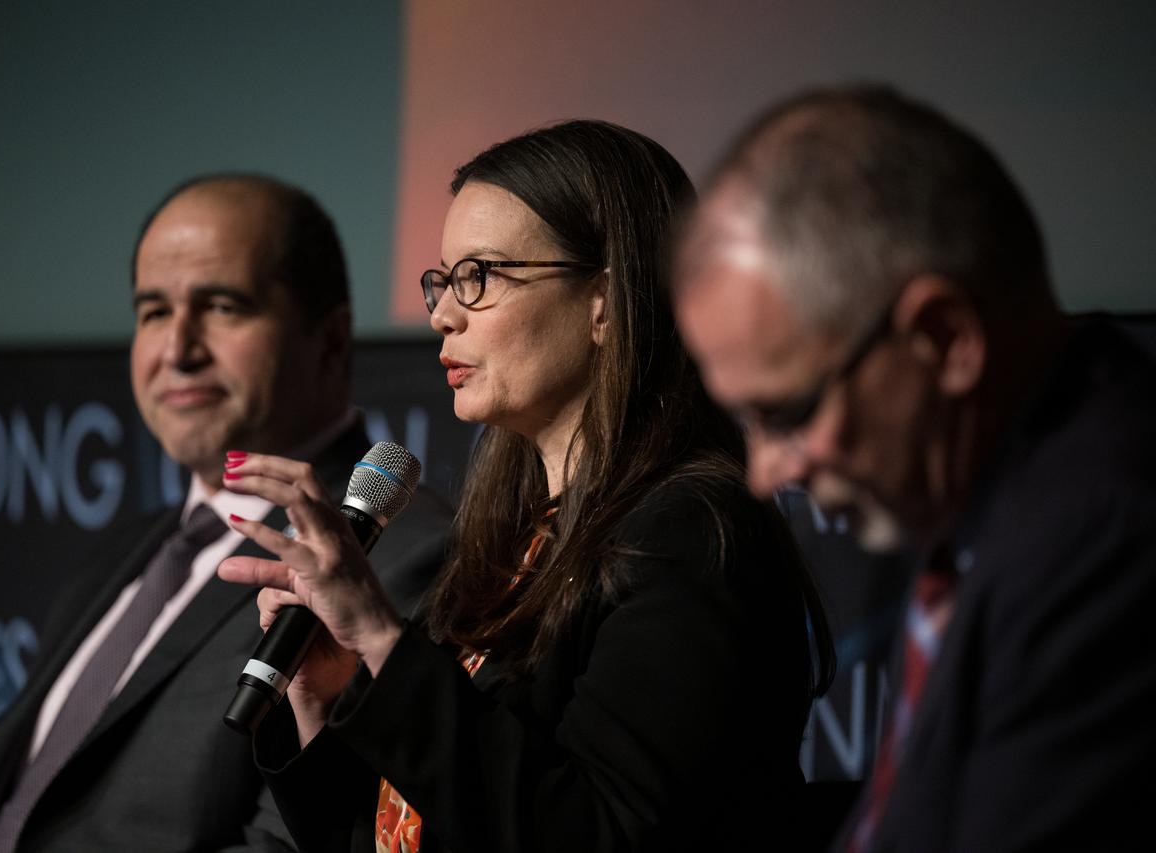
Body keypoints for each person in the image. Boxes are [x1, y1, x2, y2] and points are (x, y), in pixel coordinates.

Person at [216, 120, 834, 852]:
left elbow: (596, 831)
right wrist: (326, 694)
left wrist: (384, 640)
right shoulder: (513, 541)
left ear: (606, 298)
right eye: (442, 281)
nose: (443, 314)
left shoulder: (692, 533)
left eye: (479, 276)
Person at [673, 85, 1156, 852]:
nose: (763, 476)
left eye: (788, 414)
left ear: (946, 338)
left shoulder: (1103, 540)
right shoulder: (981, 503)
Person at [0, 174, 453, 852]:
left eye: (223, 307)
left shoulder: (396, 553)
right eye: (153, 312)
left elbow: (299, 841)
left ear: (329, 338)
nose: (176, 350)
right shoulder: (125, 550)